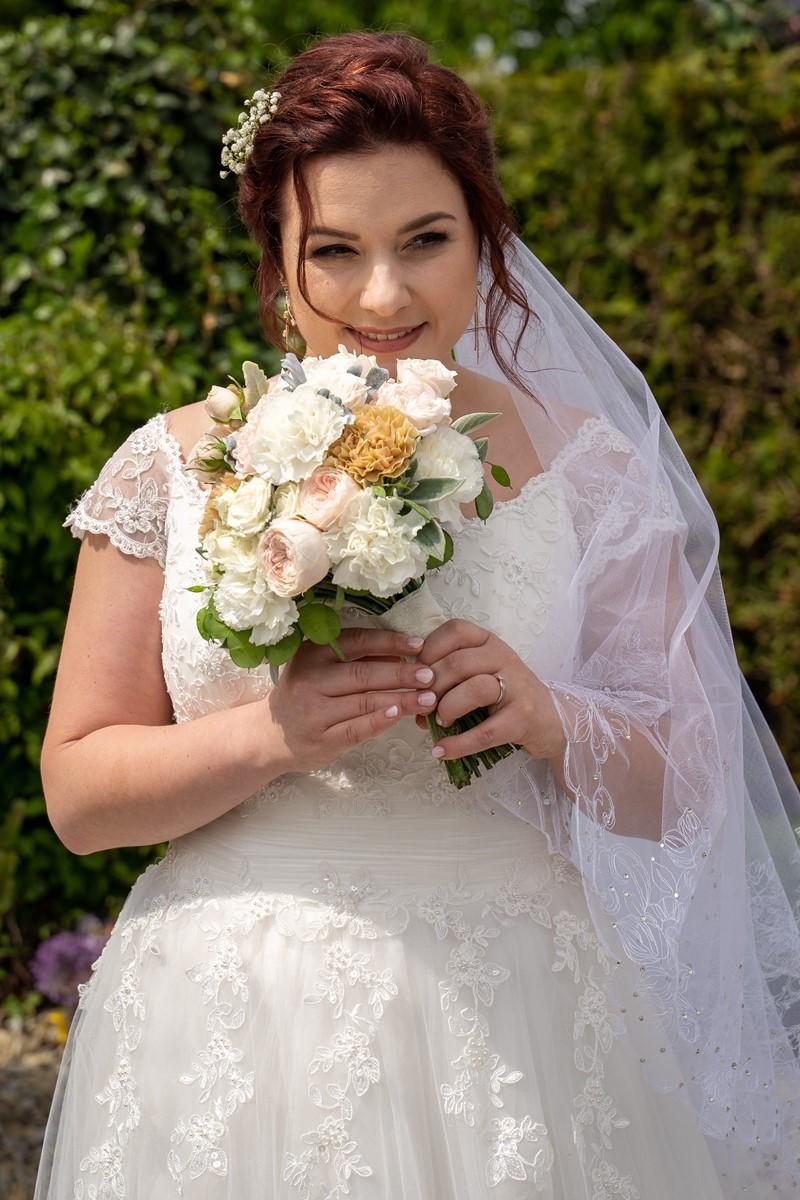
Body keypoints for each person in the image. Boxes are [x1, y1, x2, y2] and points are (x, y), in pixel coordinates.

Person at [34, 29, 800, 1200]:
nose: (383, 296)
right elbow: (79, 795)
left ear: (485, 240)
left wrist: (552, 719)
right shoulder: (173, 466)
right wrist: (266, 737)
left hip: (524, 1026)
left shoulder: (591, 471)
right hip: (232, 1023)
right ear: (276, 262)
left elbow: (693, 789)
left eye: (425, 241)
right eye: (334, 251)